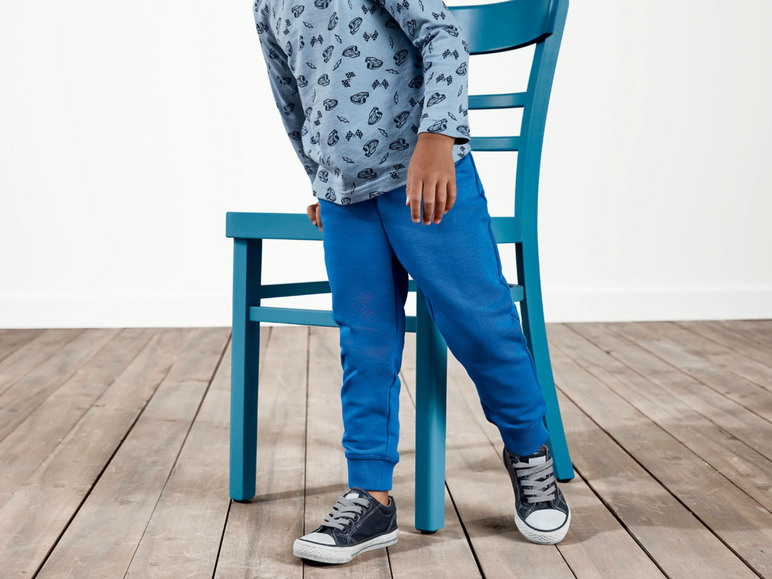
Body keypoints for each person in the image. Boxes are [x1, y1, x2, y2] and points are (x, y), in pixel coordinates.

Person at [253, 0, 570, 564]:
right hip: (344, 196)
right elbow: (290, 97)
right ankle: (371, 495)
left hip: (424, 176)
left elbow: (443, 35)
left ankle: (529, 451)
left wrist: (438, 139)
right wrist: (318, 176)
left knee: (481, 322)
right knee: (365, 342)